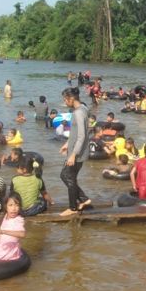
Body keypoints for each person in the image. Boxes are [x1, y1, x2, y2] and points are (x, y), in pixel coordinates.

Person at [59, 87, 91, 216]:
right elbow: (75, 132)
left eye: (65, 100)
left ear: (71, 99)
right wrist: (67, 144)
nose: (65, 102)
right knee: (70, 177)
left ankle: (73, 208)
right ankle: (83, 199)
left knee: (66, 176)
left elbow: (82, 136)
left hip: (77, 153)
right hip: (77, 150)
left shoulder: (78, 113)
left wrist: (73, 155)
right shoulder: (83, 108)